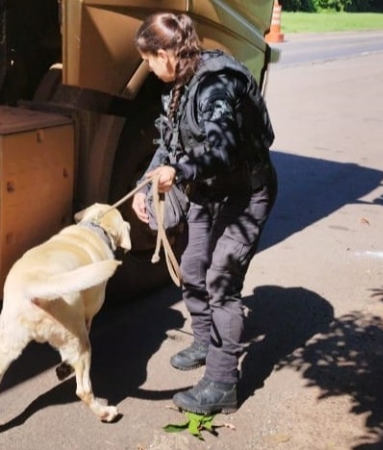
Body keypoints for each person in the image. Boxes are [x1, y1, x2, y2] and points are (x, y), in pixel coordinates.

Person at [131, 12, 278, 415]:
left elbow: (222, 148)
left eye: (148, 59)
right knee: (193, 268)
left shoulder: (216, 83)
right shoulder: (178, 82)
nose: (147, 66)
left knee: (220, 283)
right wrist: (149, 180)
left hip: (246, 192)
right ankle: (203, 339)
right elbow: (169, 139)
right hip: (208, 190)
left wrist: (176, 172)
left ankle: (222, 383)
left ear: (165, 54)